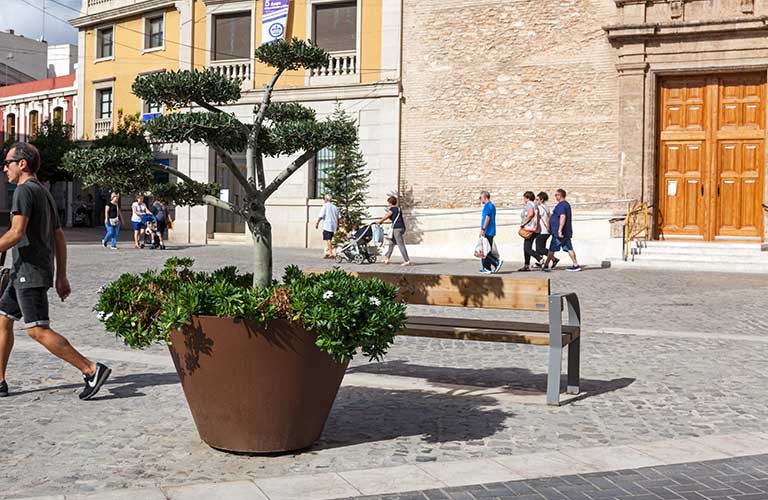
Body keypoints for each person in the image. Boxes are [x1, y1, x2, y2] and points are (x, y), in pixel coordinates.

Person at [0, 142, 111, 399]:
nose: (5, 168)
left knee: (37, 329)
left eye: (8, 162)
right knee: (3, 319)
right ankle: (1, 380)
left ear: (22, 164)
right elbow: (59, 236)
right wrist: (61, 275)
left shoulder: (24, 191)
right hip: (23, 272)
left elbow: (16, 233)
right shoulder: (43, 191)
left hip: (30, 271)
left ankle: (91, 369)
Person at [543, 188, 582, 272]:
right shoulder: (565, 204)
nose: (555, 197)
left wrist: (559, 230)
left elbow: (562, 216)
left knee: (552, 249)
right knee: (569, 248)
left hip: (559, 233)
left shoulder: (562, 205)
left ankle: (546, 265)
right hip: (565, 232)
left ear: (560, 195)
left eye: (556, 195)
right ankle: (576, 265)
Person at [378, 195, 412, 266]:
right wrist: (383, 222)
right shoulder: (398, 209)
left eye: (388, 203)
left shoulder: (392, 210)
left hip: (397, 229)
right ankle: (387, 258)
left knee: (400, 244)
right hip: (401, 227)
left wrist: (380, 221)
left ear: (390, 203)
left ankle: (407, 260)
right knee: (391, 243)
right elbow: (392, 221)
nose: (388, 204)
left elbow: (386, 216)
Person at [518, 191, 542, 272]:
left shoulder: (529, 204)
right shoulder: (535, 204)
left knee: (527, 248)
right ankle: (526, 265)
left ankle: (540, 259)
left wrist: (524, 223)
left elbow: (531, 214)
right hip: (535, 229)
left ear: (527, 198)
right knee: (527, 247)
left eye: (524, 198)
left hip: (529, 229)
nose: (524, 200)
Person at [479, 191, 502, 273]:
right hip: (490, 231)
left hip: (488, 231)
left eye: (480, 198)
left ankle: (496, 262)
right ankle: (487, 268)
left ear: (485, 198)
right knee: (485, 250)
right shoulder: (491, 205)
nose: (480, 199)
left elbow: (487, 218)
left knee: (485, 250)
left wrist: (483, 229)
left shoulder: (488, 206)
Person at [534, 192, 551, 268]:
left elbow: (536, 219)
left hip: (542, 230)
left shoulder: (540, 208)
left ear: (542, 200)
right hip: (547, 230)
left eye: (537, 199)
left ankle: (553, 257)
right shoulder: (546, 207)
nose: (536, 201)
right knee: (542, 247)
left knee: (539, 248)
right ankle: (540, 262)